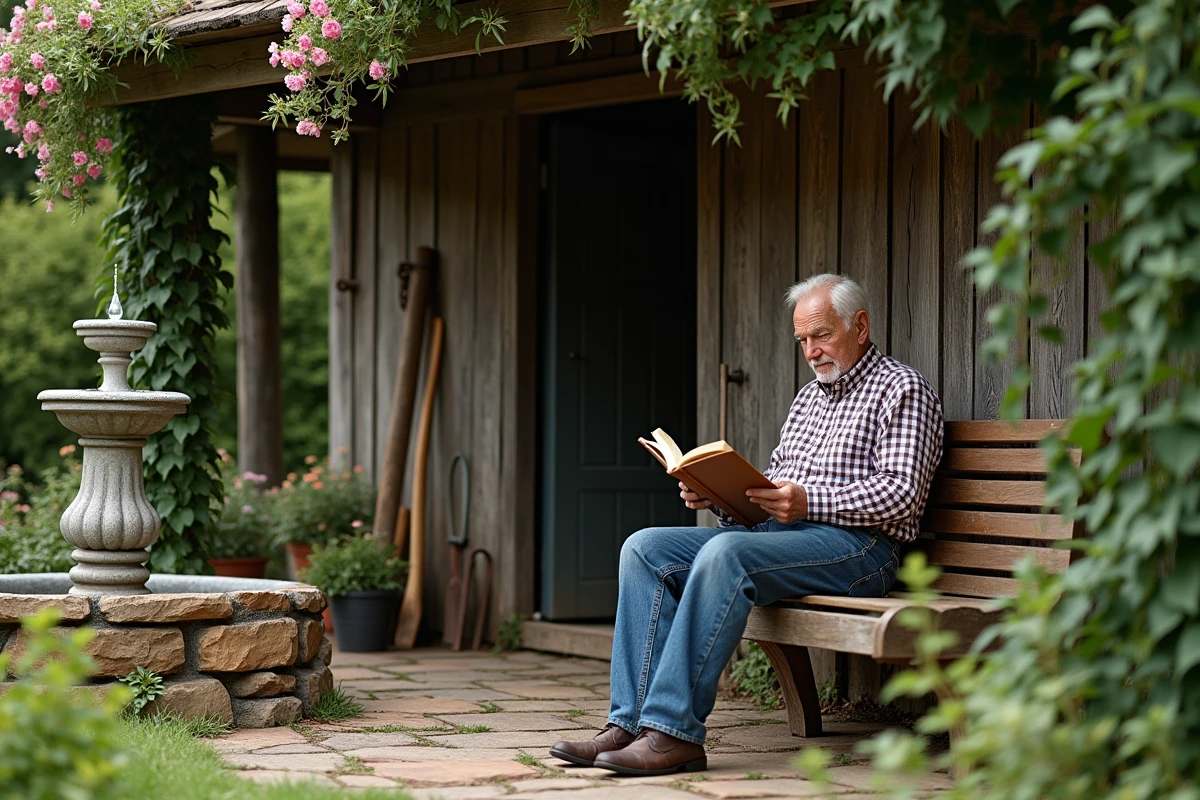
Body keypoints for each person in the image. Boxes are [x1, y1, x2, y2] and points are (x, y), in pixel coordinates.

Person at [549, 273, 945, 776]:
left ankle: (674, 735)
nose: (811, 351)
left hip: (862, 550)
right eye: (802, 340)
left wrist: (805, 503)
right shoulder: (808, 400)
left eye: (820, 335)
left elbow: (900, 495)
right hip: (782, 539)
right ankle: (629, 723)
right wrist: (716, 495)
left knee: (725, 554)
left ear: (860, 326)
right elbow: (771, 493)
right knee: (644, 547)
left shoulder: (902, 389)